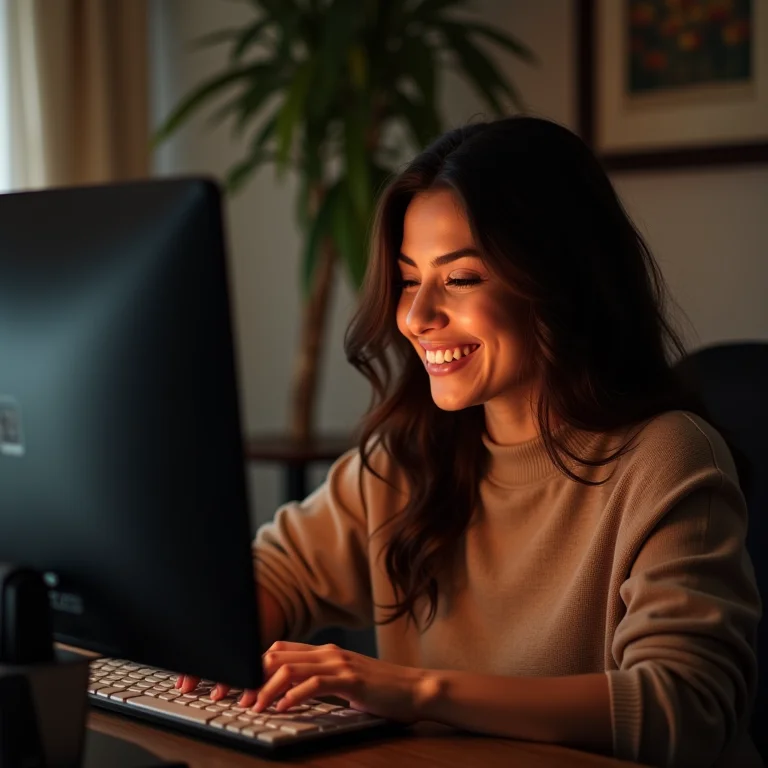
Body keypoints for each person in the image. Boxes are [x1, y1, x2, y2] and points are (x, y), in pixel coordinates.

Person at [177, 116, 762, 767]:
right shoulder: (406, 458)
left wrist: (420, 690)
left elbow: (687, 709)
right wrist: (207, 645)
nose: (417, 317)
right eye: (407, 279)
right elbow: (275, 576)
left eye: (459, 279)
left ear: (561, 282)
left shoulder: (666, 458)